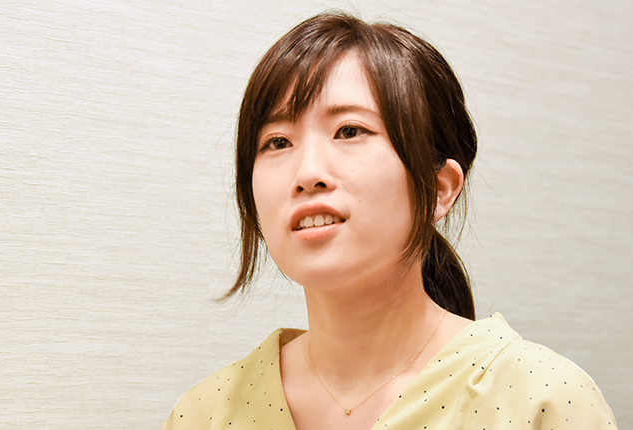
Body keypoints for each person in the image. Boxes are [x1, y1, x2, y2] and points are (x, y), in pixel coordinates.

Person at [162, 12, 617, 430]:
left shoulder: (542, 400)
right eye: (277, 142)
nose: (307, 173)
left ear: (438, 189)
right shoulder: (204, 415)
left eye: (349, 131)